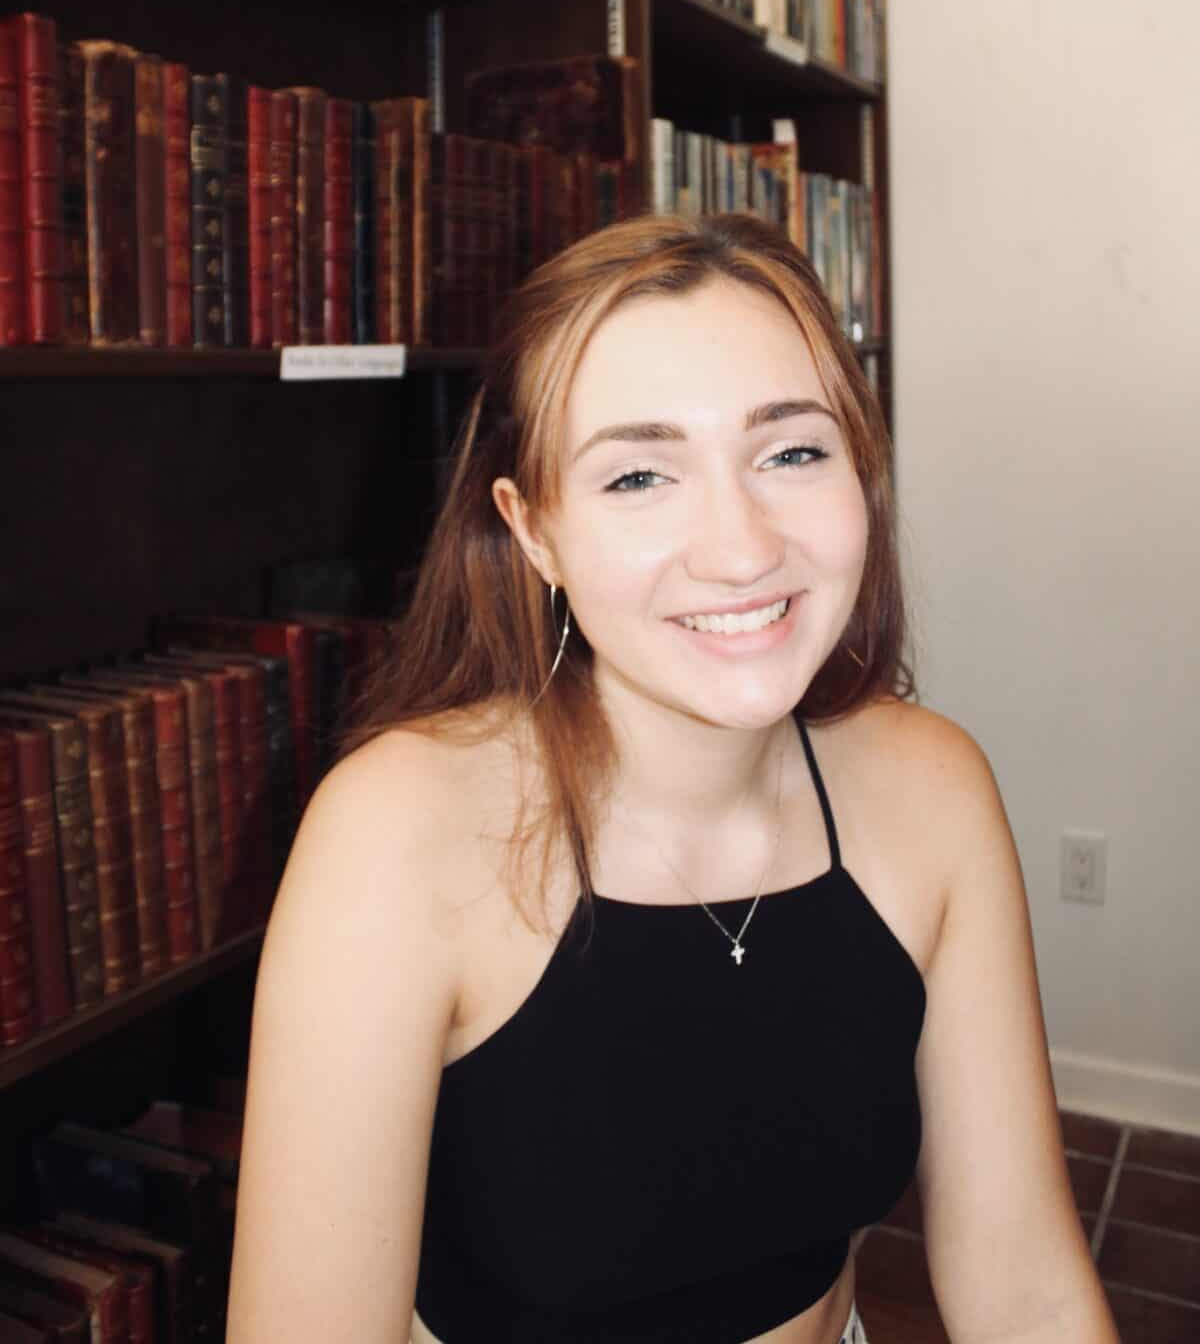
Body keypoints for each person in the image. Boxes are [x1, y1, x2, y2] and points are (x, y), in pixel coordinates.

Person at [225, 212, 1119, 1344]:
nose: (741, 548)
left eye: (791, 451)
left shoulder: (931, 790)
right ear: (532, 529)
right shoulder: (397, 837)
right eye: (640, 475)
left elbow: (1026, 1288)